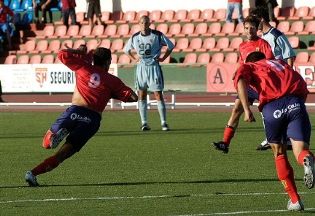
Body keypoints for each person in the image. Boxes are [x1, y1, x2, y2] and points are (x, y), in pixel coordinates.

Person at [24, 45, 138, 187]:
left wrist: (78, 52)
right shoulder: (112, 81)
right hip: (91, 121)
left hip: (74, 111)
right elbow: (134, 97)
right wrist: (112, 93)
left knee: (46, 144)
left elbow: (61, 54)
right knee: (61, 156)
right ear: (108, 62)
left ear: (93, 59)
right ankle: (33, 174)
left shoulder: (83, 67)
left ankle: (57, 134)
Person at [232, 51, 314, 211]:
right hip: (295, 103)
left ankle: (295, 200)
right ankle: (307, 159)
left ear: (251, 61)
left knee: (279, 153)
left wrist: (247, 110)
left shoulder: (249, 65)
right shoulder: (281, 64)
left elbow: (240, 80)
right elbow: (302, 86)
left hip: (272, 108)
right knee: (300, 151)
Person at [213, 15, 274, 153]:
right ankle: (225, 143)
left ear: (257, 29)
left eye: (252, 28)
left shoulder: (264, 44)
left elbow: (269, 64)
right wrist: (237, 72)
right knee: (236, 110)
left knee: (269, 112)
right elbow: (242, 62)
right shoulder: (242, 46)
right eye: (246, 28)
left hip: (261, 84)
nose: (249, 31)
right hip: (248, 85)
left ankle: (276, 139)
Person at [124, 15, 174, 131]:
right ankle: (144, 123)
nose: (144, 25)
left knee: (158, 94)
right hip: (141, 68)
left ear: (149, 23)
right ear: (139, 24)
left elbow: (170, 46)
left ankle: (163, 122)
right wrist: (134, 59)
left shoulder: (157, 35)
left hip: (153, 67)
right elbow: (126, 50)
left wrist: (162, 58)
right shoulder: (135, 37)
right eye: (142, 23)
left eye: (146, 23)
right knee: (141, 94)